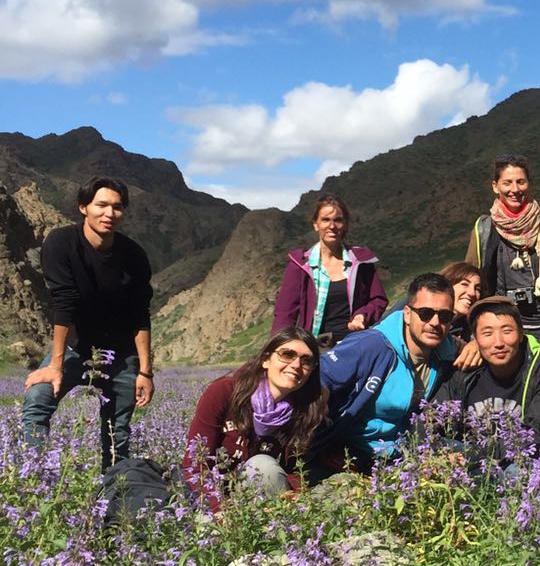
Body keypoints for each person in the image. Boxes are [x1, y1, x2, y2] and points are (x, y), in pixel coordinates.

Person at [23, 177, 154, 470]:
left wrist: (145, 371)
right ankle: (35, 473)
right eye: (101, 205)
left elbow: (140, 315)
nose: (109, 213)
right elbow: (64, 303)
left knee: (117, 433)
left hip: (120, 354)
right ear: (83, 207)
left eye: (117, 207)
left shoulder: (133, 255)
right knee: (38, 398)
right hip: (76, 348)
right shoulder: (61, 243)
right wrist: (55, 366)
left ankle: (113, 488)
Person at [314, 272, 459, 472]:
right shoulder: (370, 345)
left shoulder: (446, 355)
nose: (435, 322)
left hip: (403, 455)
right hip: (351, 455)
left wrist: (475, 347)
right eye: (425, 313)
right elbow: (317, 378)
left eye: (444, 316)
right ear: (407, 314)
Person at [466, 155, 540, 391]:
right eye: (507, 183)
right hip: (504, 327)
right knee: (514, 394)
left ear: (529, 184)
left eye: (521, 182)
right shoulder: (485, 229)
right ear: (495, 186)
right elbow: (471, 276)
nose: (515, 189)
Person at [183, 328, 326, 510]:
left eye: (306, 361)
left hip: (261, 499)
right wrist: (219, 510)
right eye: (287, 355)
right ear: (266, 360)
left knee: (264, 466)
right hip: (214, 497)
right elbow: (195, 463)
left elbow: (294, 470)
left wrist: (298, 496)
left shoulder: (304, 410)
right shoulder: (224, 392)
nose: (296, 365)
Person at [437, 296, 540, 477]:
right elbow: (431, 419)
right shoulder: (464, 370)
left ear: (521, 334)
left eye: (507, 331)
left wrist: (475, 455)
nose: (498, 343)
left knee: (517, 473)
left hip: (519, 459)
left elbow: (538, 431)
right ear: (475, 339)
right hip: (469, 459)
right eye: (487, 333)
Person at [272, 194, 387, 347]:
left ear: (345, 224)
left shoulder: (360, 262)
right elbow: (285, 315)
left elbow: (378, 300)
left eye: (338, 220)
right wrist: (279, 348)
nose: (332, 226)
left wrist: (362, 316)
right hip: (315, 347)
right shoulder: (300, 266)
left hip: (355, 345)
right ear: (316, 224)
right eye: (325, 220)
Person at [442, 261, 484, 370]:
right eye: (464, 284)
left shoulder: (470, 326)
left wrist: (478, 344)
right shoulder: (418, 310)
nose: (472, 293)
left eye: (477, 289)